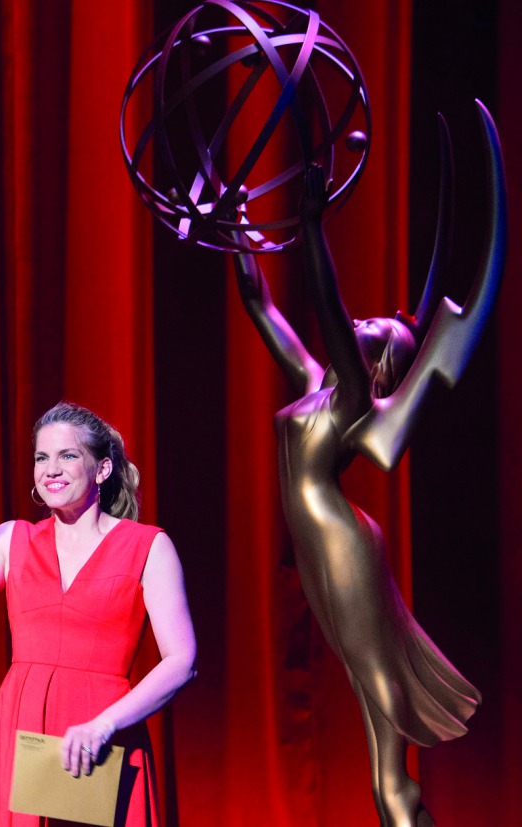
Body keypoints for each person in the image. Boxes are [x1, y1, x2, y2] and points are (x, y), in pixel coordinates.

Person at [227, 125, 502, 827]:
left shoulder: (352, 394)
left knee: (379, 696)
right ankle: (396, 803)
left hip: (339, 541)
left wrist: (314, 228)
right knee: (368, 701)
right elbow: (262, 306)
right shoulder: (315, 380)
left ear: (379, 363)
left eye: (376, 331)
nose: (362, 324)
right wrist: (234, 230)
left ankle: (399, 804)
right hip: (326, 540)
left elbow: (325, 303)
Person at [0, 402, 196, 826]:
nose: (51, 469)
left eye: (67, 456)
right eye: (42, 458)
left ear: (101, 470)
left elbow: (181, 661)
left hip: (102, 737)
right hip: (21, 729)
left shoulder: (148, 546)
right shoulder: (15, 539)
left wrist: (103, 725)